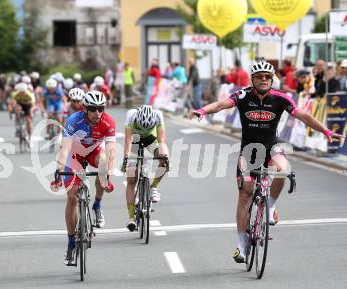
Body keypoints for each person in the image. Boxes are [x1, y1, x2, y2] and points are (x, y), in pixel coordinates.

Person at [189, 60, 344, 264]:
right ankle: (241, 244)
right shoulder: (243, 96)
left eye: (267, 77)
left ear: (272, 80)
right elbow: (220, 105)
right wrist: (202, 111)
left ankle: (270, 206)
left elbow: (303, 116)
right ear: (252, 80)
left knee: (282, 170)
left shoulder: (281, 98)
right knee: (245, 193)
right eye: (259, 77)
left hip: (272, 147)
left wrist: (325, 131)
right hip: (249, 151)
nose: (263, 80)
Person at [51, 91, 116, 266]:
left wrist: (108, 173)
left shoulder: (108, 121)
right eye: (93, 109)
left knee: (103, 162)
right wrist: (58, 171)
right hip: (75, 156)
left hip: (94, 152)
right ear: (85, 109)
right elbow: (64, 149)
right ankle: (71, 242)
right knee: (72, 197)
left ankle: (97, 203)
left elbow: (111, 151)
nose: (97, 112)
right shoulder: (74, 120)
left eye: (101, 108)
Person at [121, 104, 169, 231]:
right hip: (135, 140)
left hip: (150, 139)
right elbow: (128, 141)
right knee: (131, 179)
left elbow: (162, 141)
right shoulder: (131, 114)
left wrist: (164, 157)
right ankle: (131, 218)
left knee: (164, 159)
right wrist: (127, 159)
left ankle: (153, 187)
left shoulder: (158, 115)